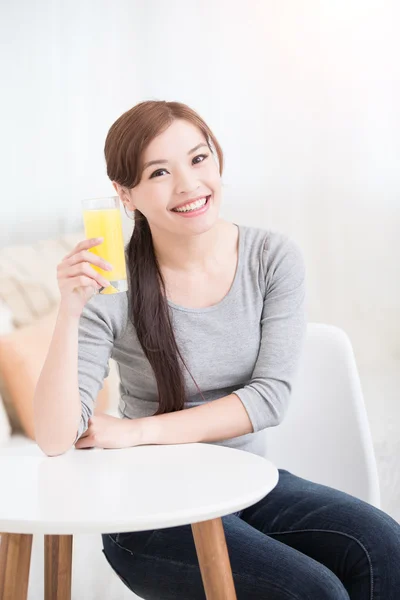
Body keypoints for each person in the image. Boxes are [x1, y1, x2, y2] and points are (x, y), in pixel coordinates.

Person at [34, 101, 400, 599]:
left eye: (199, 159)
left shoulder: (271, 258)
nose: (188, 185)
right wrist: (70, 311)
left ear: (218, 161)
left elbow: (269, 399)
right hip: (149, 509)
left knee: (384, 547)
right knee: (316, 591)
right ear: (125, 194)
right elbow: (57, 437)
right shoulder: (113, 287)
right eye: (159, 172)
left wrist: (137, 431)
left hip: (247, 484)